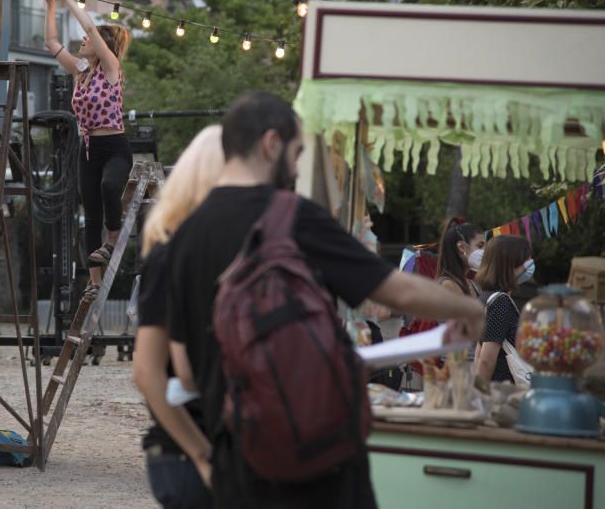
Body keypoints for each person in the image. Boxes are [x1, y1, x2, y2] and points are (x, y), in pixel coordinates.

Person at [165, 91, 486, 509]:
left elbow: (186, 373)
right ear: (270, 144)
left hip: (237, 468)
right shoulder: (290, 216)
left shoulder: (183, 236)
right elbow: (395, 288)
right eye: (296, 153)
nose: (296, 167)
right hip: (318, 461)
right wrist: (468, 307)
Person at [132, 125, 224, 508]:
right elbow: (154, 372)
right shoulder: (175, 253)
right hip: (190, 448)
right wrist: (203, 454)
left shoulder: (179, 247)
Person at [42, 0, 133, 293]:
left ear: (102, 46)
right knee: (90, 214)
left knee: (110, 186)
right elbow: (51, 42)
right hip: (89, 148)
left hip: (115, 147)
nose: (82, 40)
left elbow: (91, 29)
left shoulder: (110, 67)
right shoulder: (81, 69)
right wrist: (50, 3)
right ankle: (93, 282)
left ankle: (115, 235)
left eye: (88, 40)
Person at [474, 234, 533, 383]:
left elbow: (478, 353)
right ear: (510, 265)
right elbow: (486, 359)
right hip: (503, 391)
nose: (530, 265)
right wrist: (479, 396)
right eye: (525, 261)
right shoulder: (500, 301)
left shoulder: (485, 297)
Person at [435, 217, 485, 299]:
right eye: (480, 246)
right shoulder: (447, 285)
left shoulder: (473, 284)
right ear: (462, 247)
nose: (484, 251)